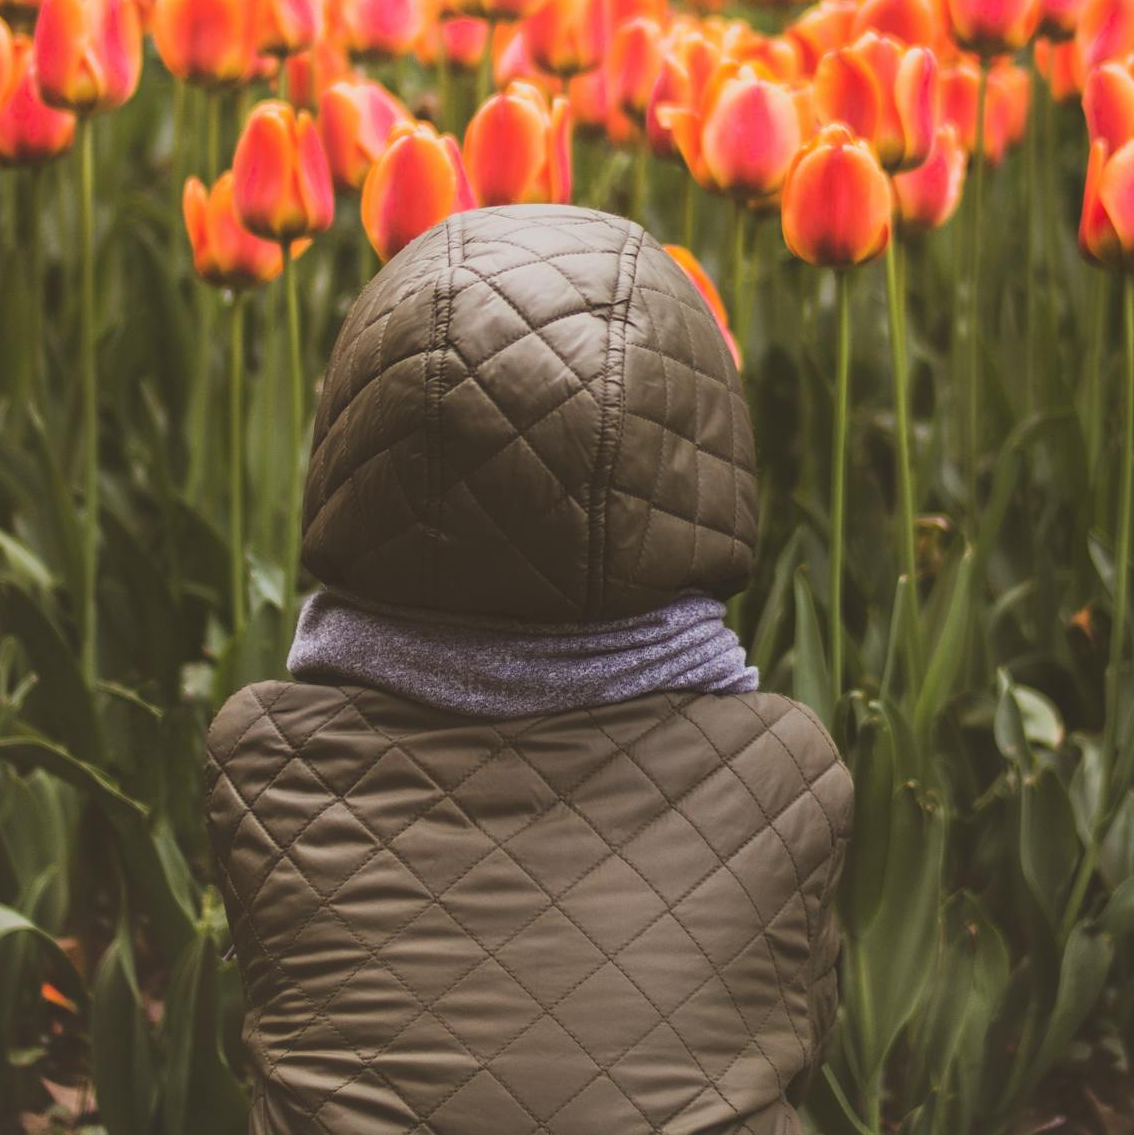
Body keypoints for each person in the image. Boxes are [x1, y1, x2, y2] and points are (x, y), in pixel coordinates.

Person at [205, 204, 853, 1132]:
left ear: (358, 443)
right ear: (699, 455)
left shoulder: (262, 757)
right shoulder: (787, 771)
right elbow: (800, 1032)